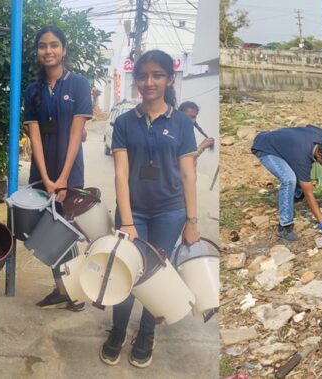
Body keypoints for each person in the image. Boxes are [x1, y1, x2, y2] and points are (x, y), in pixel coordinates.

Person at [103, 50, 200, 368]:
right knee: (127, 272)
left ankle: (146, 334)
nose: (149, 81)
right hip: (134, 212)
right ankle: (117, 331)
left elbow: (188, 173)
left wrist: (191, 220)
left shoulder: (183, 123)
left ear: (170, 79)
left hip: (169, 212)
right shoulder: (125, 122)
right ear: (137, 81)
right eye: (143, 75)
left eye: (157, 75)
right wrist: (128, 222)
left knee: (155, 274)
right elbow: (120, 173)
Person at [23, 25, 93, 311]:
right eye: (42, 46)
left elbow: (76, 134)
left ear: (64, 49)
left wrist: (62, 179)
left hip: (70, 173)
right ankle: (61, 288)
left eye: (54, 45)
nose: (48, 50)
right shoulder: (32, 90)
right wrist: (46, 178)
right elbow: (34, 135)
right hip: (42, 175)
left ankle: (75, 292)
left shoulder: (78, 84)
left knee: (65, 231)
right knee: (46, 233)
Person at [251, 125, 322, 241]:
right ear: (319, 154)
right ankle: (284, 226)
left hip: (278, 141)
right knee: (289, 180)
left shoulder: (320, 134)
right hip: (265, 148)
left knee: (301, 174)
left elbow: (307, 127)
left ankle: (296, 194)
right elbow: (309, 194)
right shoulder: (301, 159)